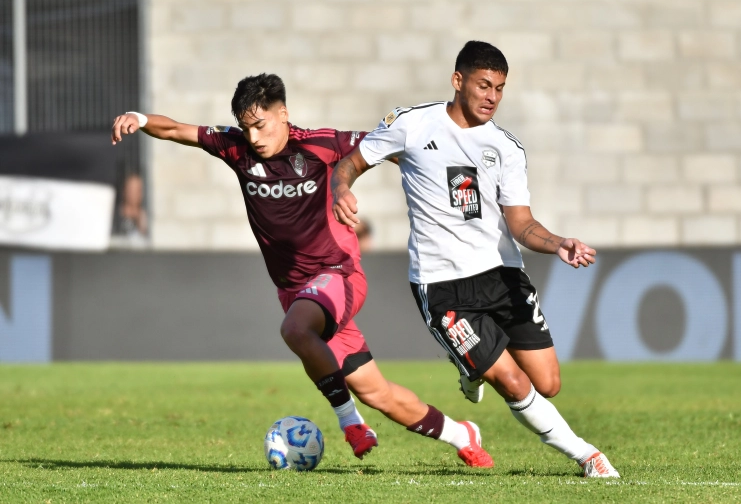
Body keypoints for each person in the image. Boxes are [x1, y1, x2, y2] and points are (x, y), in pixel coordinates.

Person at [111, 73, 493, 467]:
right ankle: (461, 434)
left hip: (338, 275)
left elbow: (391, 146)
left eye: (260, 125)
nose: (254, 137)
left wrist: (450, 174)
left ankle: (350, 424)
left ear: (284, 114)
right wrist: (139, 118)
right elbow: (175, 129)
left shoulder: (319, 144)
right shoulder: (236, 148)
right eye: (246, 127)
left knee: (295, 330)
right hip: (296, 293)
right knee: (378, 394)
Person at [331, 41, 620, 478]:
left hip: (502, 275)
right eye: (485, 85)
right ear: (458, 80)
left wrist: (559, 243)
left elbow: (521, 224)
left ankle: (469, 367)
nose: (492, 97)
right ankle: (588, 456)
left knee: (548, 384)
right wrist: (341, 189)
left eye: (500, 88)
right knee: (514, 383)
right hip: (444, 286)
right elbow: (351, 164)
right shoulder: (411, 124)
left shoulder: (505, 147)